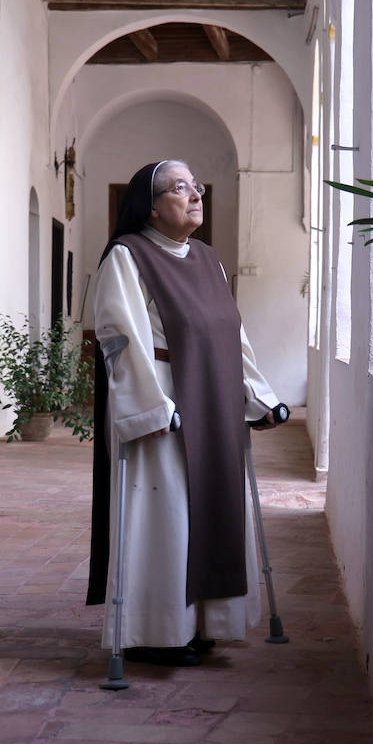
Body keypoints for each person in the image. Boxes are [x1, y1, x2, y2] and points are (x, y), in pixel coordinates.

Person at [86, 159, 284, 667]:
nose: (195, 194)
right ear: (150, 205)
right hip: (167, 402)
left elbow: (231, 336)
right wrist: (150, 408)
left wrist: (258, 398)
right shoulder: (128, 258)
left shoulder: (208, 260)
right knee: (167, 516)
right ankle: (156, 632)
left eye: (196, 186)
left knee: (215, 509)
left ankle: (205, 625)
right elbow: (119, 338)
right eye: (180, 187)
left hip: (214, 401)